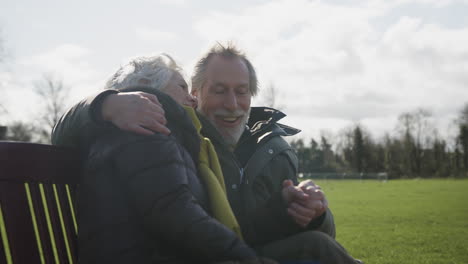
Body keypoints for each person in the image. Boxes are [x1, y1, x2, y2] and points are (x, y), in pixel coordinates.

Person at [53, 45, 361, 264]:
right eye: (217, 90)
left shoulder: (267, 146)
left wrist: (304, 212)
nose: (232, 103)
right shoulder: (152, 129)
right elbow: (175, 212)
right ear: (197, 95)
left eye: (241, 91)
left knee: (317, 244)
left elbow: (239, 225)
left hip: (210, 250)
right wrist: (105, 103)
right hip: (197, 254)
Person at [67, 54, 276, 264]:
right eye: (182, 87)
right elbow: (173, 211)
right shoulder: (145, 130)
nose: (193, 98)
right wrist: (245, 256)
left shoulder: (142, 134)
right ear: (148, 89)